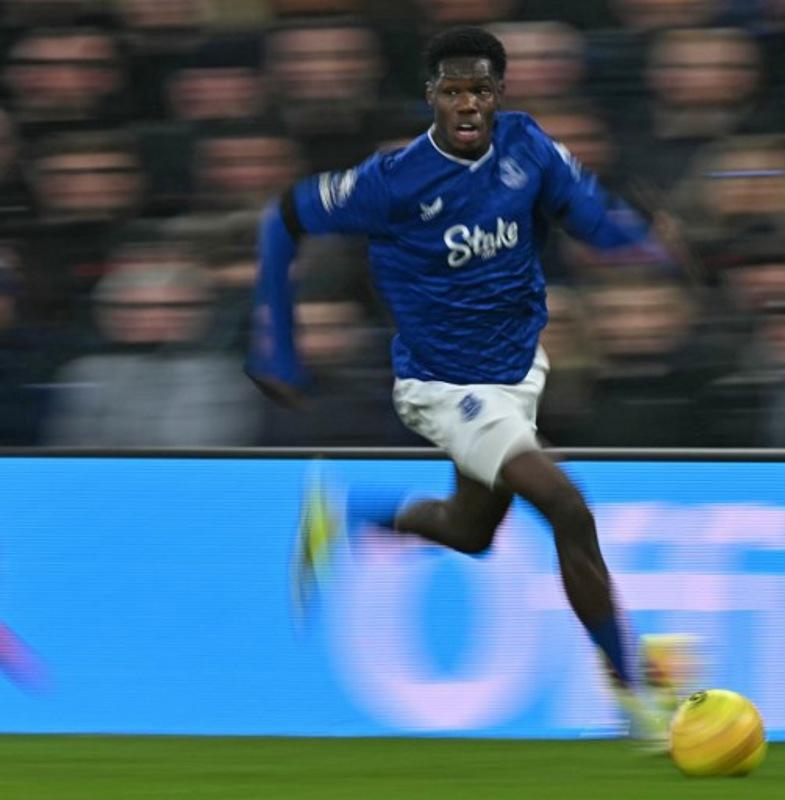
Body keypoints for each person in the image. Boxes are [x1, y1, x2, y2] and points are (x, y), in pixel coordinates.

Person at [246, 26, 684, 743]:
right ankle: (633, 697)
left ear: (498, 93)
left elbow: (591, 218)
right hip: (444, 386)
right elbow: (283, 218)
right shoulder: (393, 181)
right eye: (453, 91)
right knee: (567, 507)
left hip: (517, 372)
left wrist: (647, 242)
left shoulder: (527, 146)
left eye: (480, 89)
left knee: (470, 530)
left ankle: (348, 516)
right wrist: (279, 347)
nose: (468, 104)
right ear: (432, 96)